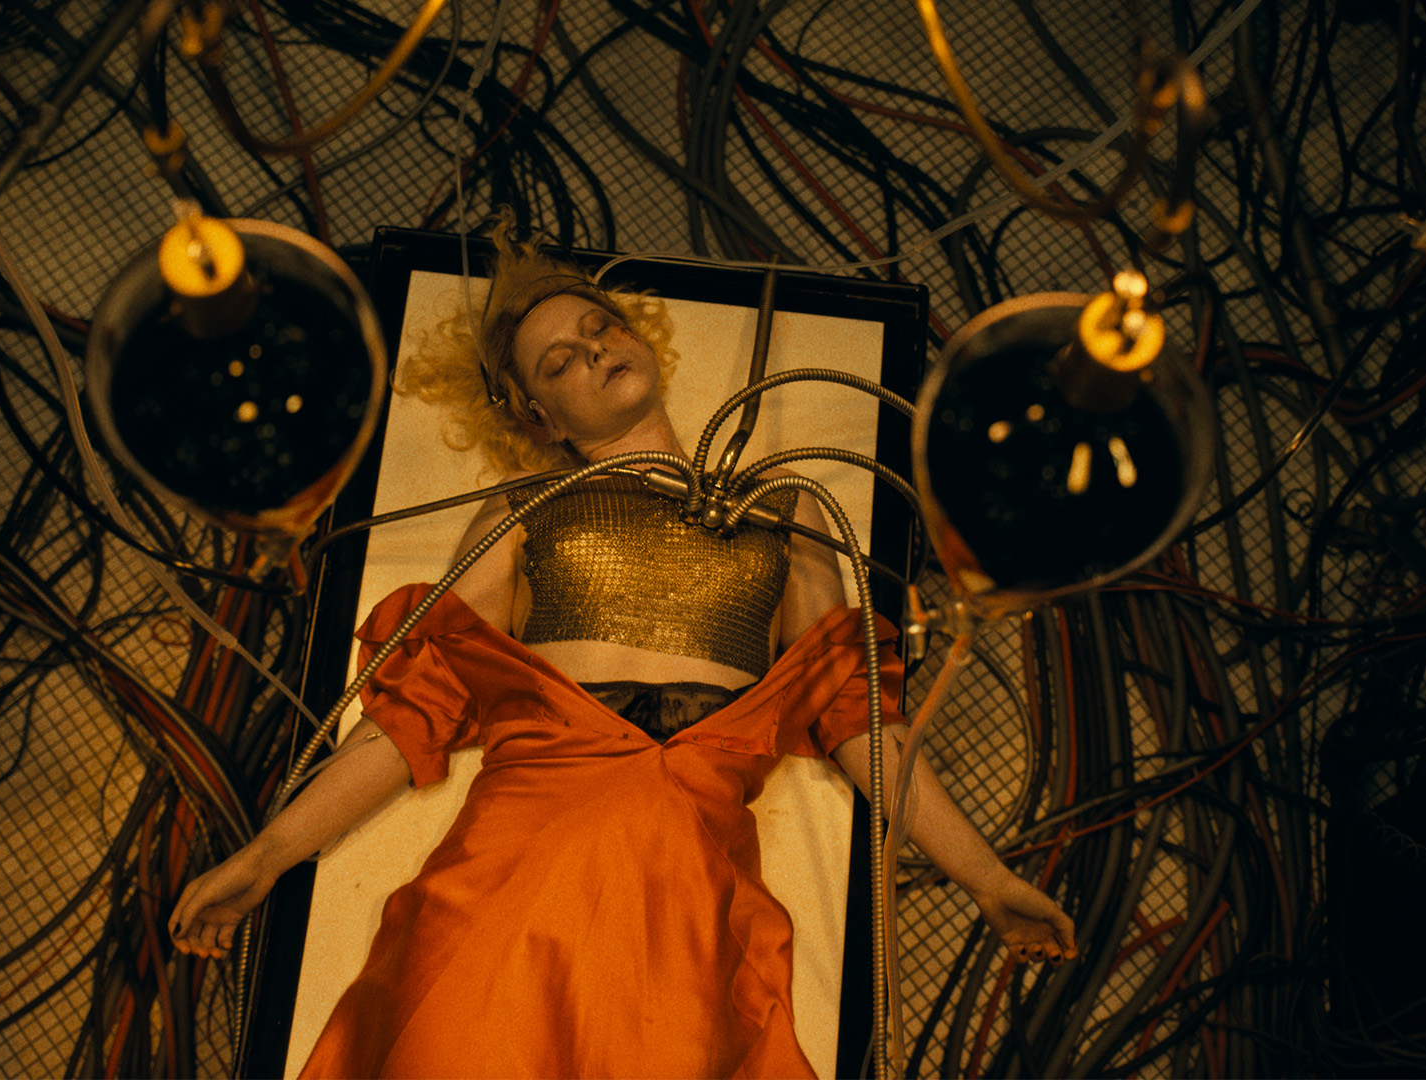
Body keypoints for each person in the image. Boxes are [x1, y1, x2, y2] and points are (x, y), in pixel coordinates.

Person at [168, 222, 1077, 1077]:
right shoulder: (524, 509)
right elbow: (405, 720)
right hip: (511, 881)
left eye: (600, 328)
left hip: (684, 901)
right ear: (540, 417)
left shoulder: (785, 508)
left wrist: (988, 880)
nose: (594, 350)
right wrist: (264, 858)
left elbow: (863, 725)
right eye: (560, 360)